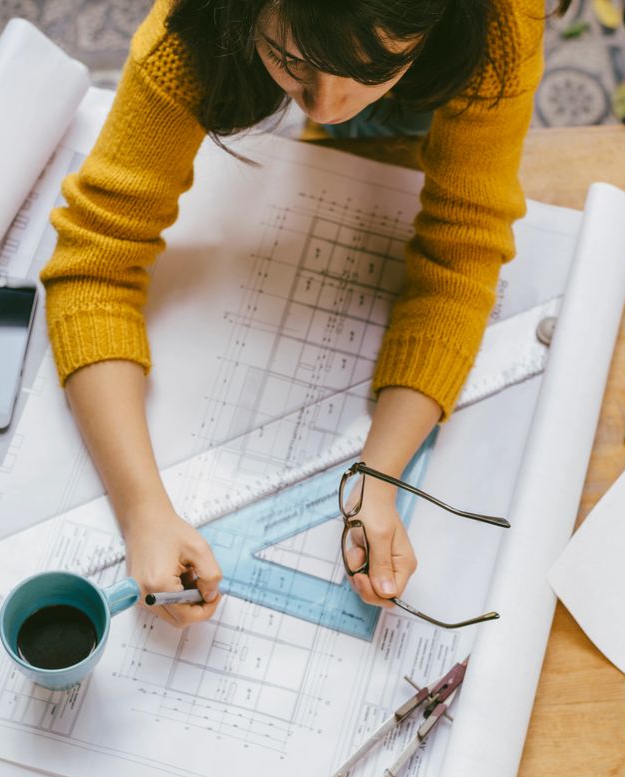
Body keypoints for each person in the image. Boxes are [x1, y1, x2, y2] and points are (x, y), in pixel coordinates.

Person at [40, 0, 567, 628]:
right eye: (291, 63)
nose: (325, 106)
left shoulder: (501, 21)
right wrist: (143, 512)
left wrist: (380, 477)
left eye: (374, 71)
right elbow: (93, 261)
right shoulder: (187, 35)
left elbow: (463, 251)